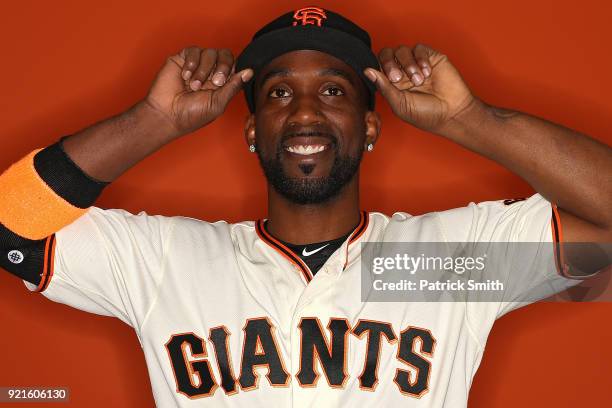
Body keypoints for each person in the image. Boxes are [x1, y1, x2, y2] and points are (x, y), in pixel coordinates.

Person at [0, 6, 610, 407]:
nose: (306, 112)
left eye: (334, 90)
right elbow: (10, 227)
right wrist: (153, 121)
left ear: (371, 127)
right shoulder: (164, 259)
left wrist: (471, 121)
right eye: (279, 93)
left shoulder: (447, 262)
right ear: (252, 131)